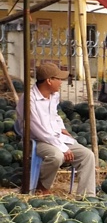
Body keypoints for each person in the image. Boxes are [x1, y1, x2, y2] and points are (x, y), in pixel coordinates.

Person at [16, 63, 96, 197]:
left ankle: (87, 197)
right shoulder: (29, 99)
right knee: (56, 156)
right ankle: (42, 187)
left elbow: (55, 115)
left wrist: (62, 128)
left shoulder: (53, 95)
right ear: (49, 80)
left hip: (56, 137)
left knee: (88, 156)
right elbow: (38, 130)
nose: (61, 82)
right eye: (59, 79)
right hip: (37, 140)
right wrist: (62, 147)